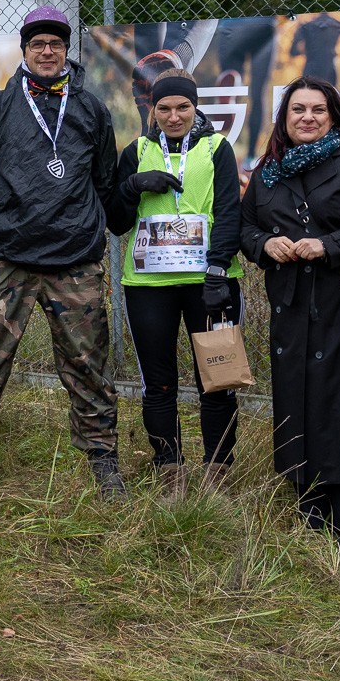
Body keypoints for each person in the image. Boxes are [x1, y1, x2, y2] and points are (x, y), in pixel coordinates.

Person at [0, 5, 125, 497]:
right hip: (7, 260)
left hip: (74, 262)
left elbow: (104, 180)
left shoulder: (91, 110)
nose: (47, 52)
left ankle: (103, 459)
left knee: (88, 365)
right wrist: (1, 226)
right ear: (24, 51)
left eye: (56, 44)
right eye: (38, 44)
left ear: (67, 51)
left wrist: (82, 228)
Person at [239, 77, 340, 551]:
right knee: (298, 400)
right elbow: (246, 227)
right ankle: (311, 505)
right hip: (292, 306)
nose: (307, 118)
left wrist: (329, 244)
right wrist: (265, 243)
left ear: (333, 116)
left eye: (317, 110)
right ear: (284, 118)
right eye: (298, 110)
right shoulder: (270, 170)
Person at [105, 70, 243, 496]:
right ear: (152, 110)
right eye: (164, 108)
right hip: (149, 286)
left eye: (183, 107)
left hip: (210, 283)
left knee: (218, 379)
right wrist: (132, 185)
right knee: (158, 382)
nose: (174, 116)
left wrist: (218, 269)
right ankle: (170, 470)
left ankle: (218, 473)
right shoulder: (137, 151)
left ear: (195, 107)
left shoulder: (217, 148)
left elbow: (230, 212)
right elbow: (116, 221)